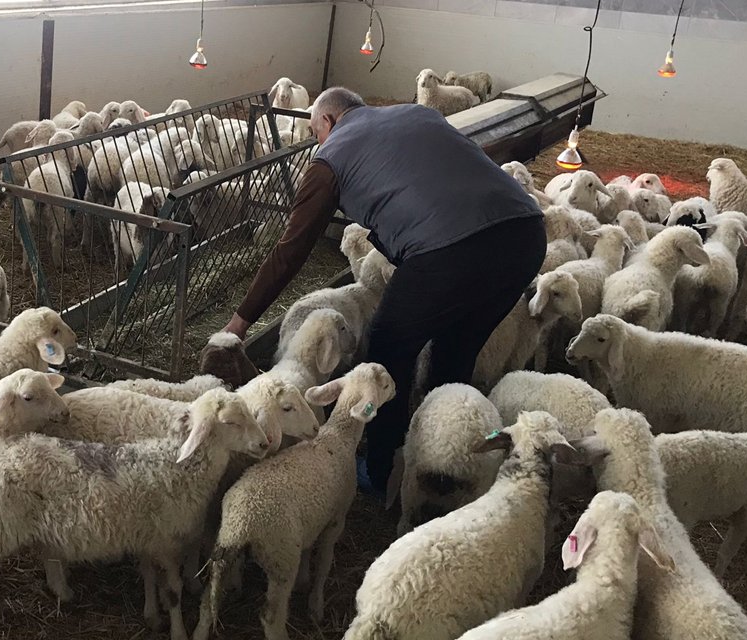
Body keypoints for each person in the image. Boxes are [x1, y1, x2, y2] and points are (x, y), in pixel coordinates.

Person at [222, 87, 546, 498]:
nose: (316, 142)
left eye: (314, 132)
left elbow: (291, 250)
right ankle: (438, 459)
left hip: (449, 250)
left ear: (329, 121)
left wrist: (240, 321)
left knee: (390, 344)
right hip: (525, 234)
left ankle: (380, 468)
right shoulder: (416, 113)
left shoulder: (331, 157)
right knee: (455, 348)